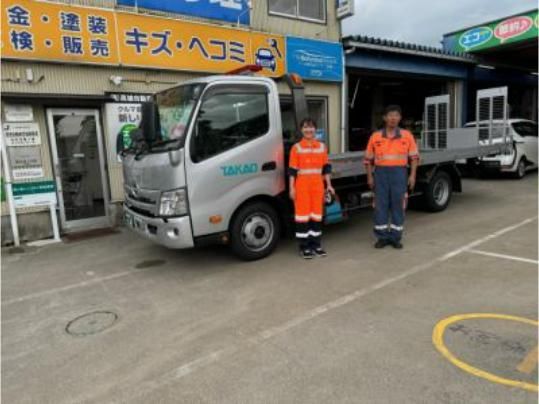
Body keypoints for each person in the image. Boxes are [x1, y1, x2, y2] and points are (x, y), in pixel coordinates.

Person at [364, 105, 420, 249]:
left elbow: (414, 158)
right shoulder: (375, 136)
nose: (393, 118)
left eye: (396, 115)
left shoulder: (407, 135)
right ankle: (382, 237)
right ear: (384, 118)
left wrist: (412, 176)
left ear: (400, 118)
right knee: (380, 206)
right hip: (380, 175)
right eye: (390, 115)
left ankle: (395, 237)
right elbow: (368, 160)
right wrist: (370, 177)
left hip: (399, 174)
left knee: (398, 205)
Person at [289, 118, 335, 259]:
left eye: (311, 127)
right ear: (301, 130)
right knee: (302, 217)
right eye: (305, 127)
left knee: (316, 216)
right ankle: (304, 247)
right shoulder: (296, 148)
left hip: (317, 186)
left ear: (315, 129)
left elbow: (326, 169)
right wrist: (291, 188)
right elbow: (292, 171)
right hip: (301, 187)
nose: (308, 130)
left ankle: (316, 245)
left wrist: (329, 185)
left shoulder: (322, 147)